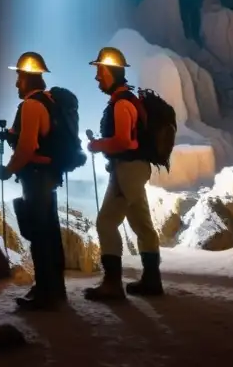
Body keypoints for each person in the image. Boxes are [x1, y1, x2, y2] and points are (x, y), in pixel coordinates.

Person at [84, 47, 163, 300]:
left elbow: (125, 142)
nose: (97, 77)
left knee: (106, 222)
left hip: (127, 170)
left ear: (111, 72)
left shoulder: (121, 104)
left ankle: (112, 284)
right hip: (136, 169)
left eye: (100, 71)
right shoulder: (128, 101)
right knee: (142, 225)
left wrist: (98, 145)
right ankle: (152, 280)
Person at [0, 51, 66, 311]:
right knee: (50, 231)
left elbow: (27, 148)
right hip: (49, 177)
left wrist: (8, 169)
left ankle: (44, 293)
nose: (16, 83)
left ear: (27, 78)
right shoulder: (49, 102)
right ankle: (55, 288)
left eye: (19, 77)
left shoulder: (31, 105)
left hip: (36, 178)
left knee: (38, 233)